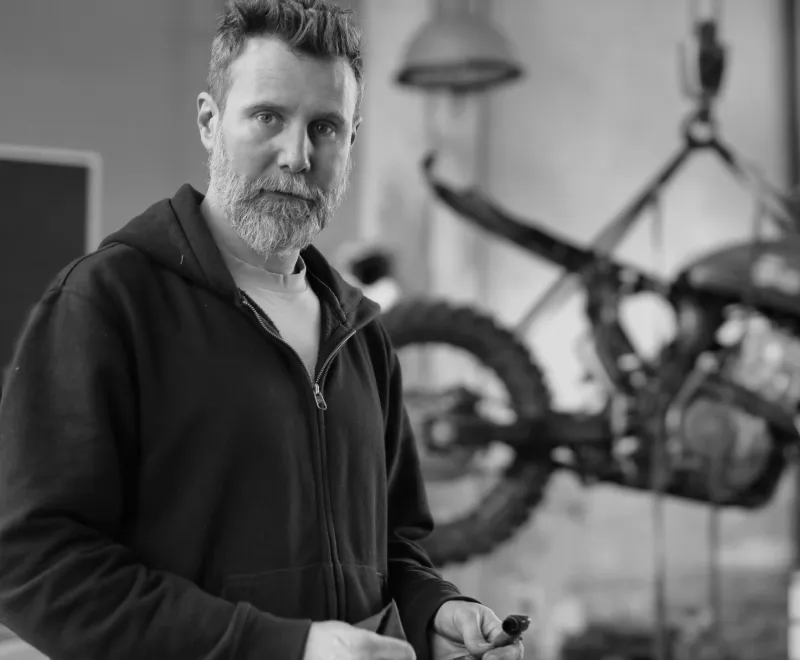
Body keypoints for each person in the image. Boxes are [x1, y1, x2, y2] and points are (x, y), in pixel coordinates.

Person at [0, 2, 526, 659]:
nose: (298, 155)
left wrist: (433, 611)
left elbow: (394, 546)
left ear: (352, 141)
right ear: (209, 121)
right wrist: (284, 648)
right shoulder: (108, 305)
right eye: (268, 117)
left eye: (326, 127)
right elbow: (36, 565)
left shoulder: (359, 333)